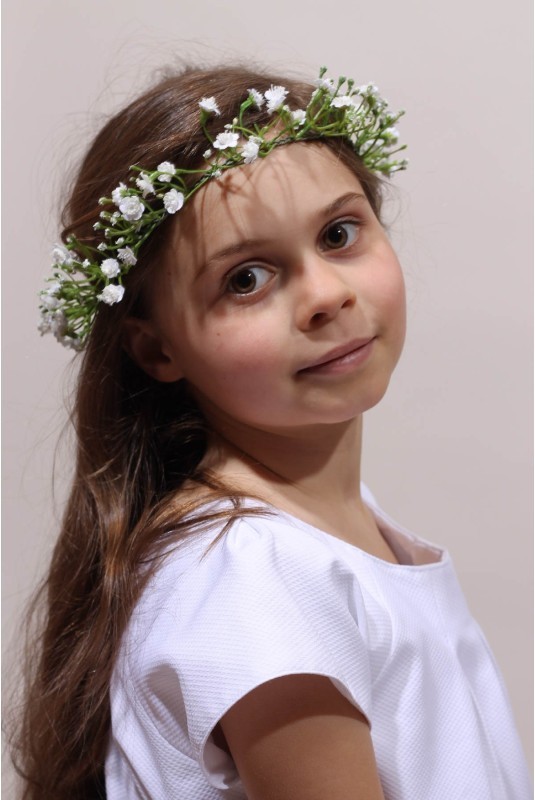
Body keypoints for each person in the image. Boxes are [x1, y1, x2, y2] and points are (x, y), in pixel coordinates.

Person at [15, 63, 530, 799]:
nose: (325, 294)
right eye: (246, 279)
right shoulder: (254, 574)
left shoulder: (318, 534)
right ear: (156, 348)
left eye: (339, 233)